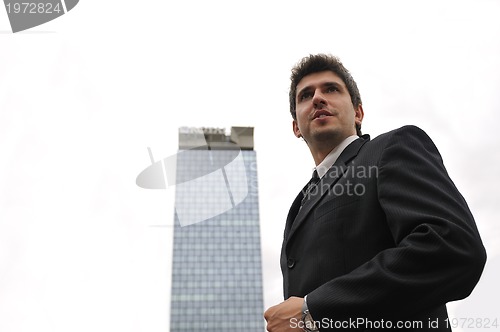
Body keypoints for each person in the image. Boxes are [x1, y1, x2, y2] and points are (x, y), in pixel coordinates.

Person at [264, 54, 487, 331]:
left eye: (331, 89)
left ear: (358, 113)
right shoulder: (299, 204)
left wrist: (314, 308)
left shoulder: (390, 148)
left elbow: (451, 246)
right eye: (306, 95)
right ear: (296, 126)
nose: (318, 98)